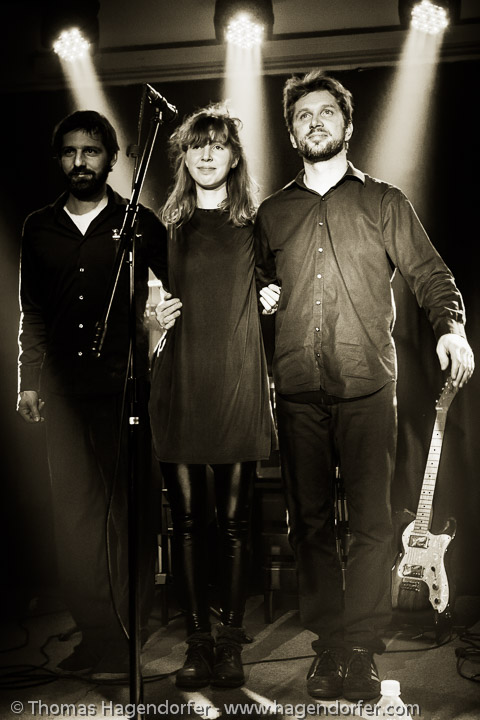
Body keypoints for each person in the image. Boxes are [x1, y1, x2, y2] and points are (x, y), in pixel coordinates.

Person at [254, 70, 474, 702]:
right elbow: (255, 286)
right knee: (310, 523)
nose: (315, 122)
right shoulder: (271, 213)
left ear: (347, 125)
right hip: (297, 387)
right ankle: (329, 646)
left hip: (368, 385)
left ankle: (362, 649)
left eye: (327, 112)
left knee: (373, 525)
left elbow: (430, 272)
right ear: (291, 133)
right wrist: (264, 295)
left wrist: (451, 327)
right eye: (303, 115)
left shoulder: (384, 201)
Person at [16, 110, 168, 679]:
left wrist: (157, 337)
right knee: (75, 517)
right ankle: (95, 631)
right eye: (69, 152)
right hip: (64, 393)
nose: (80, 162)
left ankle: (128, 633)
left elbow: (173, 297)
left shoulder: (139, 224)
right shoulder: (39, 227)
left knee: (130, 516)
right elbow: (33, 311)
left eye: (91, 151)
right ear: (59, 159)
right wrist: (28, 380)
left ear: (111, 158)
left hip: (126, 391)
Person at [148, 104, 274, 689]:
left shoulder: (255, 224)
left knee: (233, 523)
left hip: (237, 384)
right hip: (180, 386)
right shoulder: (164, 227)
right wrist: (152, 318)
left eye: (217, 144)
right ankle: (198, 641)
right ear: (184, 156)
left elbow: (277, 284)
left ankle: (230, 642)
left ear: (234, 156)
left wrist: (273, 296)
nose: (205, 154)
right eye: (197, 145)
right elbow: (144, 304)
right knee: (186, 523)